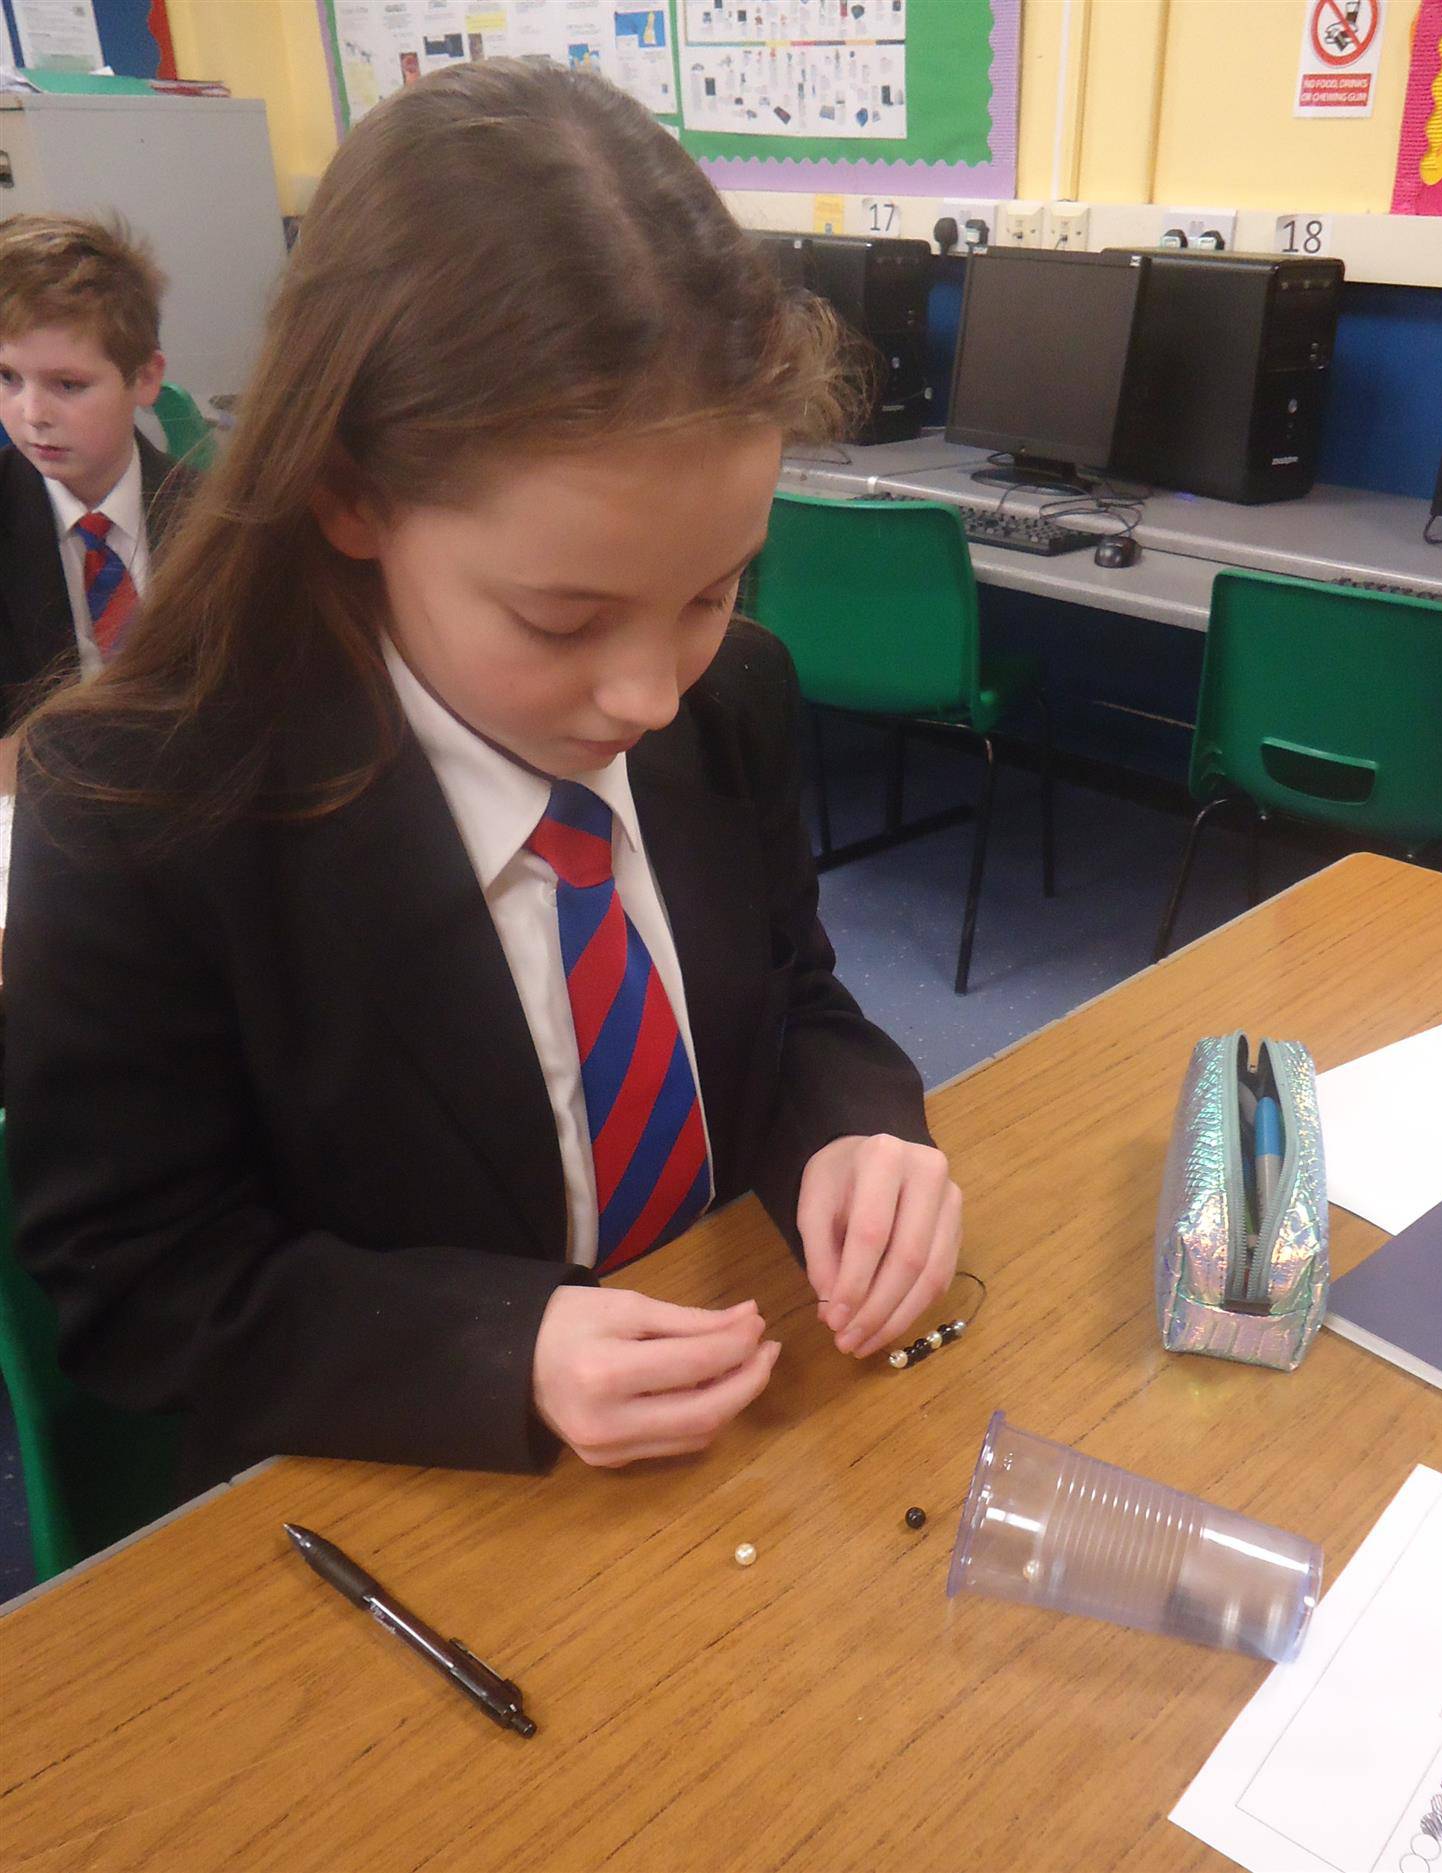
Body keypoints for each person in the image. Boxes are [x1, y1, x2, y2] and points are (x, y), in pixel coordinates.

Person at [6, 60, 961, 1493]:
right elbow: (137, 1280)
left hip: (739, 1445)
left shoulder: (735, 700)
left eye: (713, 590)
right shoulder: (143, 809)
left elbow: (793, 1000)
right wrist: (501, 1348)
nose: (650, 695)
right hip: (418, 1499)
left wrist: (858, 1131)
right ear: (349, 494)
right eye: (562, 620)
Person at [0, 214, 194, 786]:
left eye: (68, 384)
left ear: (146, 379)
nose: (32, 414)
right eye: (7, 377)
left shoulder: (219, 521)